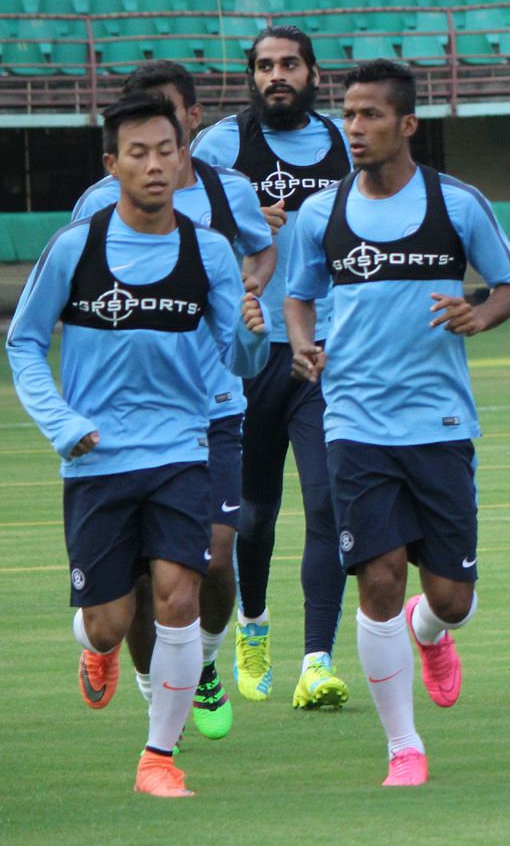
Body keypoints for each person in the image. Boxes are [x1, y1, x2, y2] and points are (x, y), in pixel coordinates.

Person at [282, 61, 510, 786]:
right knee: (378, 579)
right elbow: (300, 296)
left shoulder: (457, 205)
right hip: (354, 422)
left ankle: (432, 630)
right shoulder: (320, 214)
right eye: (348, 116)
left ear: (407, 125)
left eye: (370, 116)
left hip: (440, 422)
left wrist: (479, 313)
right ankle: (403, 746)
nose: (354, 129)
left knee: (452, 598)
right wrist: (302, 344)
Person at [8, 92, 246, 796]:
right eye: (136, 153)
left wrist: (259, 336)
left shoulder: (209, 252)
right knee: (111, 621)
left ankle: (158, 759)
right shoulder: (76, 246)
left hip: (180, 450)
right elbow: (22, 342)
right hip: (97, 458)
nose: (152, 165)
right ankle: (97, 649)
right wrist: (62, 422)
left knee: (178, 596)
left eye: (164, 151)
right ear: (112, 164)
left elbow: (243, 359)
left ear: (183, 159)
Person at [69, 63, 276, 739]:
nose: (156, 150)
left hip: (211, 408)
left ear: (191, 124)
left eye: (168, 125)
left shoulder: (226, 192)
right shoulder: (97, 208)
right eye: (140, 134)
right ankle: (130, 664)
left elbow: (261, 250)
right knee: (124, 596)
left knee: (217, 555)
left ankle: (204, 662)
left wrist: (244, 292)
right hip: (122, 426)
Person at [190, 26, 353, 708]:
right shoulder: (220, 148)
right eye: (263, 66)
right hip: (247, 355)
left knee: (326, 501)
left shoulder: (344, 142)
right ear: (250, 76)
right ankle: (252, 626)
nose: (276, 75)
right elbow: (183, 227)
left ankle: (317, 660)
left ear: (314, 73)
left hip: (321, 350)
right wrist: (245, 224)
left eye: (289, 64)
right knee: (253, 519)